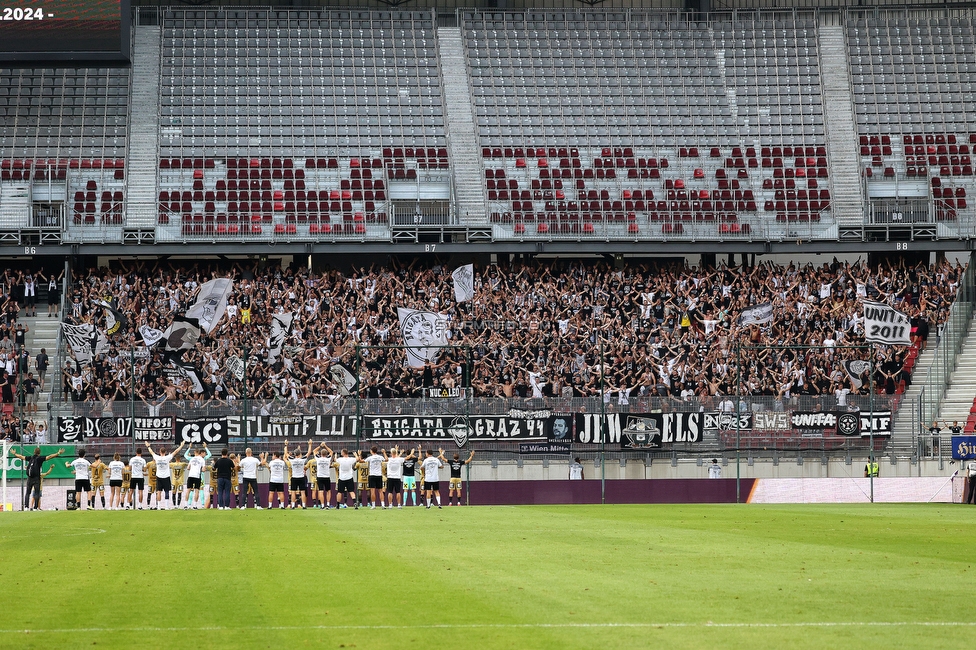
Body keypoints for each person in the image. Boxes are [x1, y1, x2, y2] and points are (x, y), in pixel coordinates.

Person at [9, 445, 64, 511]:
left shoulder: (30, 458)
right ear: (39, 453)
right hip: (36, 478)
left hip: (29, 478)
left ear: (34, 452)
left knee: (28, 493)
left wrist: (15, 454)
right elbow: (49, 457)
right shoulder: (40, 458)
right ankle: (35, 507)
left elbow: (21, 457)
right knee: (37, 493)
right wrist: (58, 453)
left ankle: (26, 507)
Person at [145, 440, 186, 510]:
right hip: (166, 476)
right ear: (165, 452)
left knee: (158, 491)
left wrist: (148, 446)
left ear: (160, 452)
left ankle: (158, 506)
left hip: (159, 477)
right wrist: (181, 445)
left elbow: (151, 452)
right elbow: (176, 451)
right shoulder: (167, 457)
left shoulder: (157, 457)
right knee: (167, 491)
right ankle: (166, 506)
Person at [284, 439, 314, 509]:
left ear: (294, 454)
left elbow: (286, 453)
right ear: (300, 454)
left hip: (294, 477)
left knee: (293, 492)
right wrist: (310, 444)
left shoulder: (292, 459)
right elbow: (309, 452)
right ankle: (303, 505)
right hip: (301, 477)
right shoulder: (302, 459)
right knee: (302, 492)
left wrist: (286, 445)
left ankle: (293, 505)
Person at [313, 443, 335, 509]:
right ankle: (328, 504)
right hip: (327, 476)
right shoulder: (328, 458)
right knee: (328, 491)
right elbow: (331, 452)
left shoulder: (318, 458)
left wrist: (320, 446)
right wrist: (325, 446)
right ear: (326, 454)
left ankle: (322, 505)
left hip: (319, 476)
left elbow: (314, 451)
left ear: (320, 454)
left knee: (321, 491)